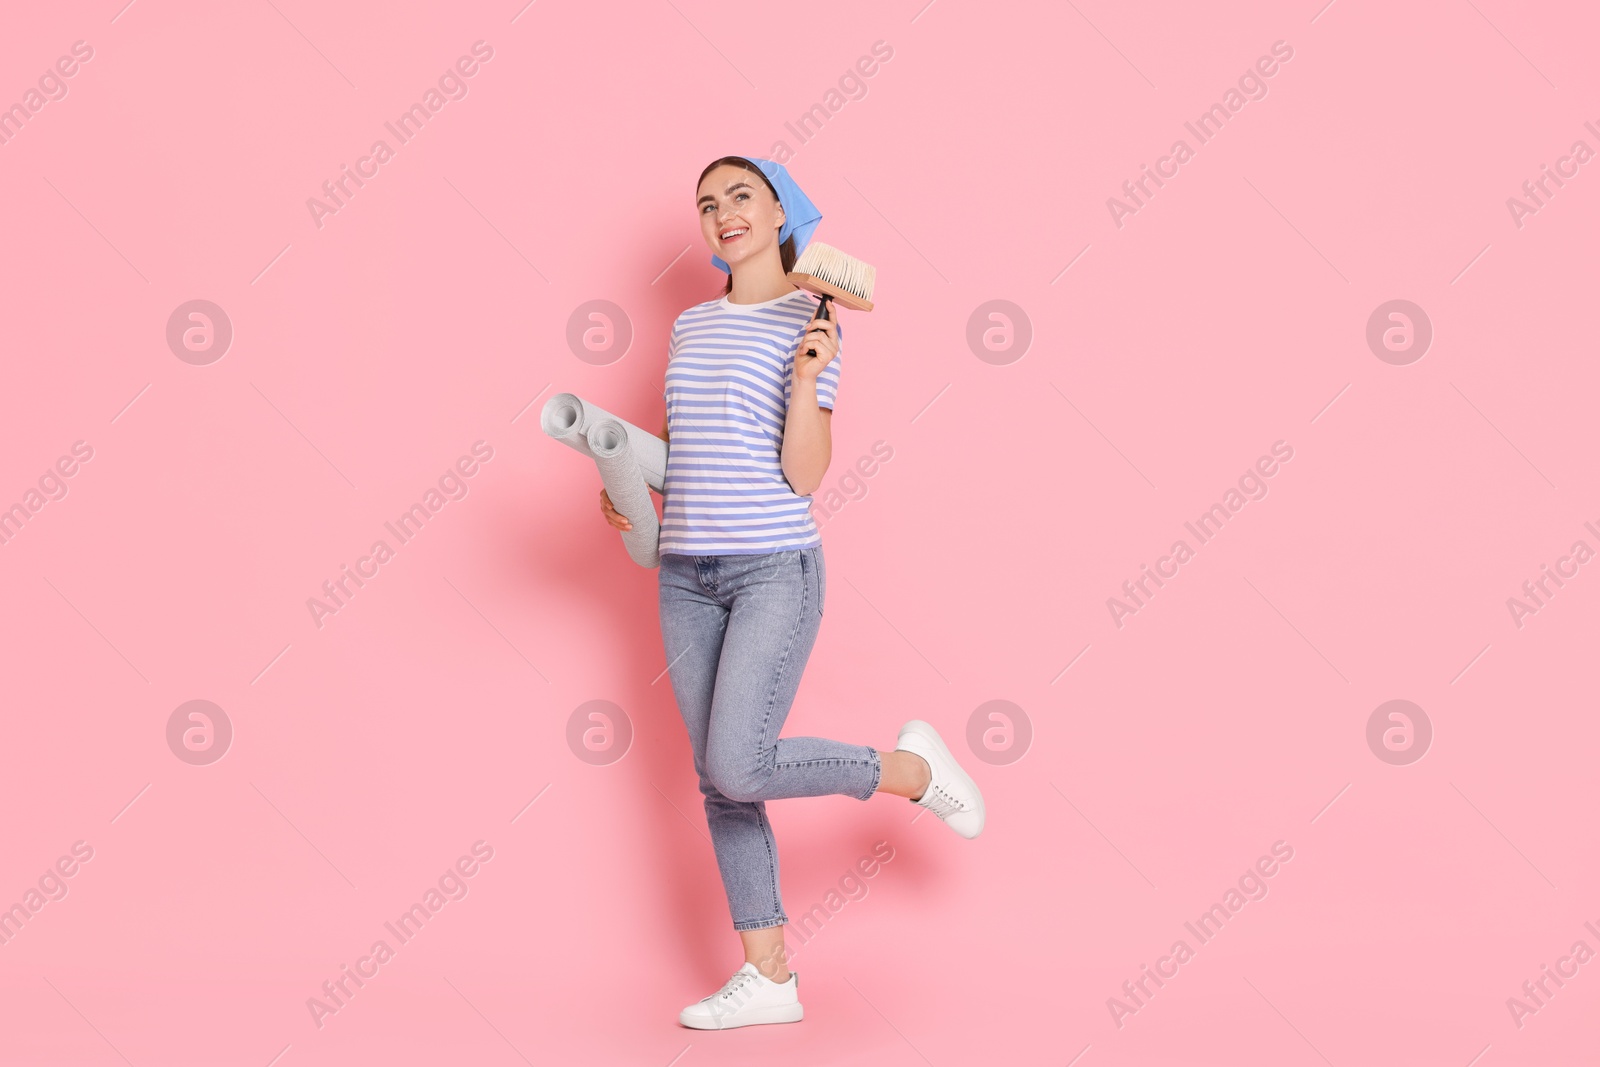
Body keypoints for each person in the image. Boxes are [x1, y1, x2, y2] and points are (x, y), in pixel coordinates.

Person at [599, 155, 985, 1030]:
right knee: (720, 782)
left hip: (774, 565)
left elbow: (802, 474)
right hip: (686, 575)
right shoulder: (691, 326)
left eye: (740, 195)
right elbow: (684, 444)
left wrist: (809, 378)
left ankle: (912, 770)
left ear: (780, 211)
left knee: (739, 760)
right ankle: (769, 976)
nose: (721, 212)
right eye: (706, 204)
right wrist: (627, 481)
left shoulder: (809, 323)